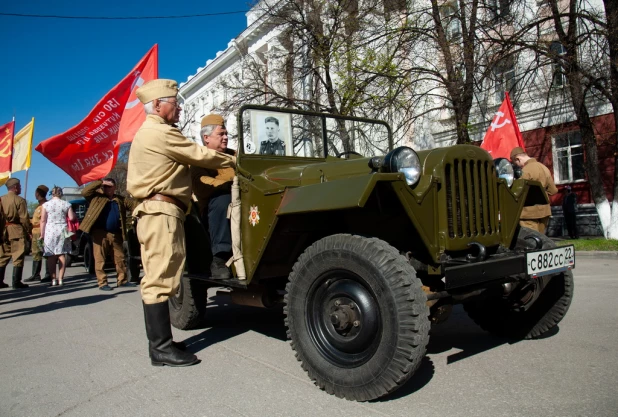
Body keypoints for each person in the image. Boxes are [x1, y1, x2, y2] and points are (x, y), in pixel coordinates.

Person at [127, 79, 235, 367]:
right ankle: (161, 349)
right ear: (159, 105)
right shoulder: (159, 132)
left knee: (162, 276)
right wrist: (235, 163)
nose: (179, 109)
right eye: (175, 104)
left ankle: (161, 345)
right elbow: (198, 154)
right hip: (161, 211)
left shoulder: (154, 132)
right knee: (160, 279)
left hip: (162, 211)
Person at [191, 114, 236, 279]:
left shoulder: (235, 155)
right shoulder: (199, 159)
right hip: (211, 214)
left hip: (241, 201)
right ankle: (220, 257)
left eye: (226, 134)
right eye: (221, 134)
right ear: (206, 138)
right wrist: (232, 184)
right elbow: (201, 185)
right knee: (222, 199)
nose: (225, 138)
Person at [79, 178, 138, 291]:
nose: (106, 188)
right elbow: (85, 192)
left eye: (109, 186)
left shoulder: (119, 199)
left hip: (116, 233)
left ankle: (122, 280)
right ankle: (102, 283)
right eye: (105, 186)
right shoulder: (96, 197)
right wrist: (100, 182)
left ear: (114, 187)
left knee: (120, 258)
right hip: (99, 233)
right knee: (100, 259)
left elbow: (134, 205)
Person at [510, 147, 558, 234]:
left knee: (531, 240)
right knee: (542, 240)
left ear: (518, 159)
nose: (517, 166)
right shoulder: (544, 168)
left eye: (515, 163)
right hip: (544, 210)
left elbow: (517, 191)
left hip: (528, 212)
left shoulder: (526, 170)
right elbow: (553, 191)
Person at [40, 187, 77, 286]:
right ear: (61, 194)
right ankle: (61, 279)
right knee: (61, 254)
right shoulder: (66, 204)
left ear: (52, 194)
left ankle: (53, 279)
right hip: (62, 230)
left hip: (50, 231)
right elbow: (72, 217)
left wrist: (41, 234)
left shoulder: (46, 205)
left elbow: (43, 220)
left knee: (51, 255)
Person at [0, 178, 32, 289]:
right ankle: (16, 282)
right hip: (16, 230)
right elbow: (24, 218)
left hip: (4, 231)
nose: (21, 188)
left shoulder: (1, 199)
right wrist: (29, 231)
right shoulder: (20, 200)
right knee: (18, 256)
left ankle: (0, 281)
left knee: (3, 256)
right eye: (19, 186)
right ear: (15, 187)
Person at [24, 185, 50, 283]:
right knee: (36, 253)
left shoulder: (45, 205)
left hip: (41, 231)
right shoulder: (39, 205)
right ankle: (36, 274)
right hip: (35, 231)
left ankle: (48, 274)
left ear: (37, 194)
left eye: (35, 193)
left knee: (44, 252)